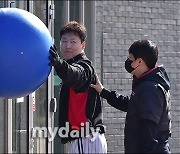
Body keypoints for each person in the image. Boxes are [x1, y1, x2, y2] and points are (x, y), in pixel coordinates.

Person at [91, 40, 171, 153]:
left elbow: (149, 131)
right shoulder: (146, 84)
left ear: (139, 61)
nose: (128, 62)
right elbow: (131, 104)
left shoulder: (149, 88)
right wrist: (103, 92)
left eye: (130, 59)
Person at [49, 21, 107, 153]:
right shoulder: (73, 65)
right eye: (64, 41)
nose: (67, 46)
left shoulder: (85, 66)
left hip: (86, 138)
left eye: (73, 42)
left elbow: (75, 75)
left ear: (83, 45)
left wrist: (59, 64)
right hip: (84, 138)